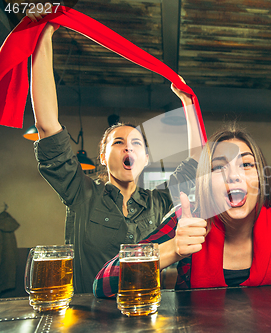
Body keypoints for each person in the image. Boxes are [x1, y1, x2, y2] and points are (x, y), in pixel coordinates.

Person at [94, 125, 271, 299]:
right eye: (220, 167)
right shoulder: (189, 217)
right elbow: (102, 283)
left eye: (246, 165)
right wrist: (172, 249)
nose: (234, 176)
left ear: (260, 178)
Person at [28, 15, 202, 292]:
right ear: (102, 156)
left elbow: (195, 164)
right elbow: (47, 126)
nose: (128, 147)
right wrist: (45, 32)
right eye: (118, 142)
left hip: (146, 312)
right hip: (88, 317)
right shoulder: (81, 193)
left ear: (145, 158)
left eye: (136, 144)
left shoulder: (159, 203)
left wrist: (188, 104)